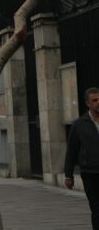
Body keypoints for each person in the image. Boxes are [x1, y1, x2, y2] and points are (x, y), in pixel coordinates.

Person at [65, 86, 99, 229]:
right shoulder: (79, 125)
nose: (98, 102)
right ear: (88, 103)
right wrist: (68, 175)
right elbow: (71, 150)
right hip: (91, 173)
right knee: (97, 210)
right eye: (95, 100)